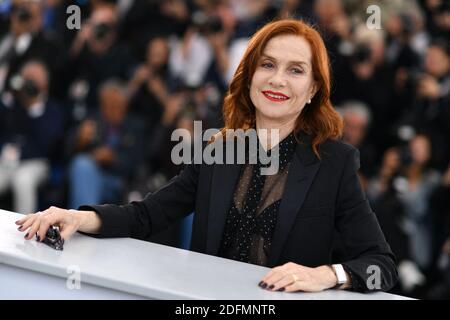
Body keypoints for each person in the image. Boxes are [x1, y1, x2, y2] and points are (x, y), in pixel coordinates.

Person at [16, 19, 398, 293]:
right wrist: (77, 216)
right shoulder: (217, 149)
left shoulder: (335, 162)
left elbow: (380, 265)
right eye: (267, 65)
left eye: (295, 70)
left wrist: (325, 275)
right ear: (249, 77)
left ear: (313, 89)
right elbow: (148, 215)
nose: (278, 79)